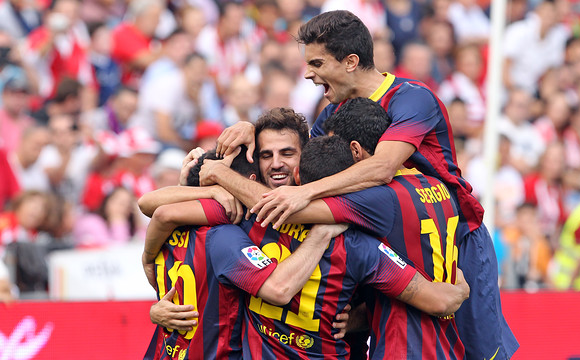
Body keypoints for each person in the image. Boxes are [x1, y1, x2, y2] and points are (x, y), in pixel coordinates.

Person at [214, 10, 517, 359]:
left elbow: (383, 167)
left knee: (475, 350)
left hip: (451, 240)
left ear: (350, 62)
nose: (308, 73)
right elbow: (307, 159)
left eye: (316, 62)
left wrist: (306, 192)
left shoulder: (412, 98)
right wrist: (254, 129)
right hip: (380, 235)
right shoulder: (332, 114)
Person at [140, 108, 469, 358]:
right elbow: (157, 207)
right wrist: (157, 305)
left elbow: (431, 299)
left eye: (286, 153)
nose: (276, 164)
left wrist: (359, 319)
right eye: (266, 155)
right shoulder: (244, 210)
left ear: (305, 156)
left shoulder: (351, 231)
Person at [143, 147, 352, 359]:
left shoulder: (167, 233)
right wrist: (321, 234)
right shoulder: (227, 235)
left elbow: (156, 209)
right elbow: (276, 289)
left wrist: (147, 262)